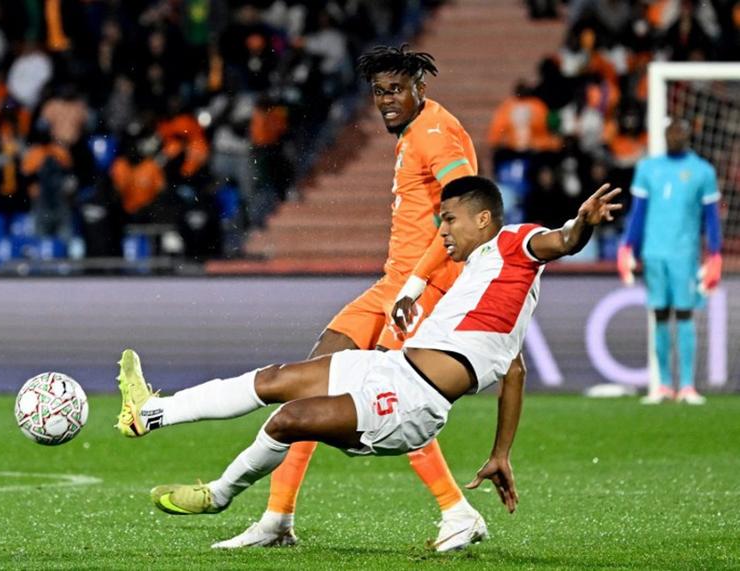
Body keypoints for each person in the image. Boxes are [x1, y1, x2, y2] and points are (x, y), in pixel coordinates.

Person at [115, 176, 622, 549]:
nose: (442, 229)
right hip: (391, 370)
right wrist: (500, 453)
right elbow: (515, 372)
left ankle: (220, 495)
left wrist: (582, 224)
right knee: (275, 379)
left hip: (411, 403)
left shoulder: (516, 242)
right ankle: (150, 413)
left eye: (449, 219)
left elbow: (561, 241)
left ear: (483, 219)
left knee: (289, 419)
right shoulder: (489, 282)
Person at [209, 44, 506, 552]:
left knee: (390, 397)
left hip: (427, 287)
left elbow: (461, 212)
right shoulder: (415, 130)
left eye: (397, 90)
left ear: (420, 88)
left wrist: (416, 284)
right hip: (392, 283)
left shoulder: (436, 134)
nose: (387, 100)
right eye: (379, 92)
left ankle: (458, 512)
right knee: (308, 380)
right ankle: (277, 518)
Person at [617, 118, 722, 405]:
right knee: (660, 314)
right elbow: (638, 213)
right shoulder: (647, 168)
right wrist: (627, 246)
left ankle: (687, 385)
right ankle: (663, 385)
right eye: (670, 133)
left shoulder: (703, 171)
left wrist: (715, 253)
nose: (675, 137)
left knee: (685, 314)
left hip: (684, 254)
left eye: (679, 132)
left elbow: (711, 218)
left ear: (687, 136)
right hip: (654, 252)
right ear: (664, 135)